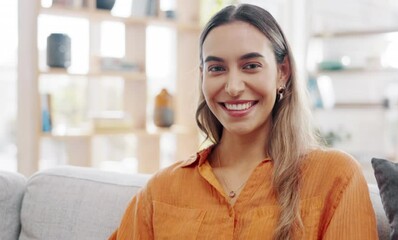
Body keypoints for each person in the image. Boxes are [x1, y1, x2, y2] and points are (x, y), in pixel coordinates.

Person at [109, 4, 378, 240]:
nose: (233, 86)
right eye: (217, 68)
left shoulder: (335, 177)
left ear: (282, 73)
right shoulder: (161, 191)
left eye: (251, 66)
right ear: (203, 76)